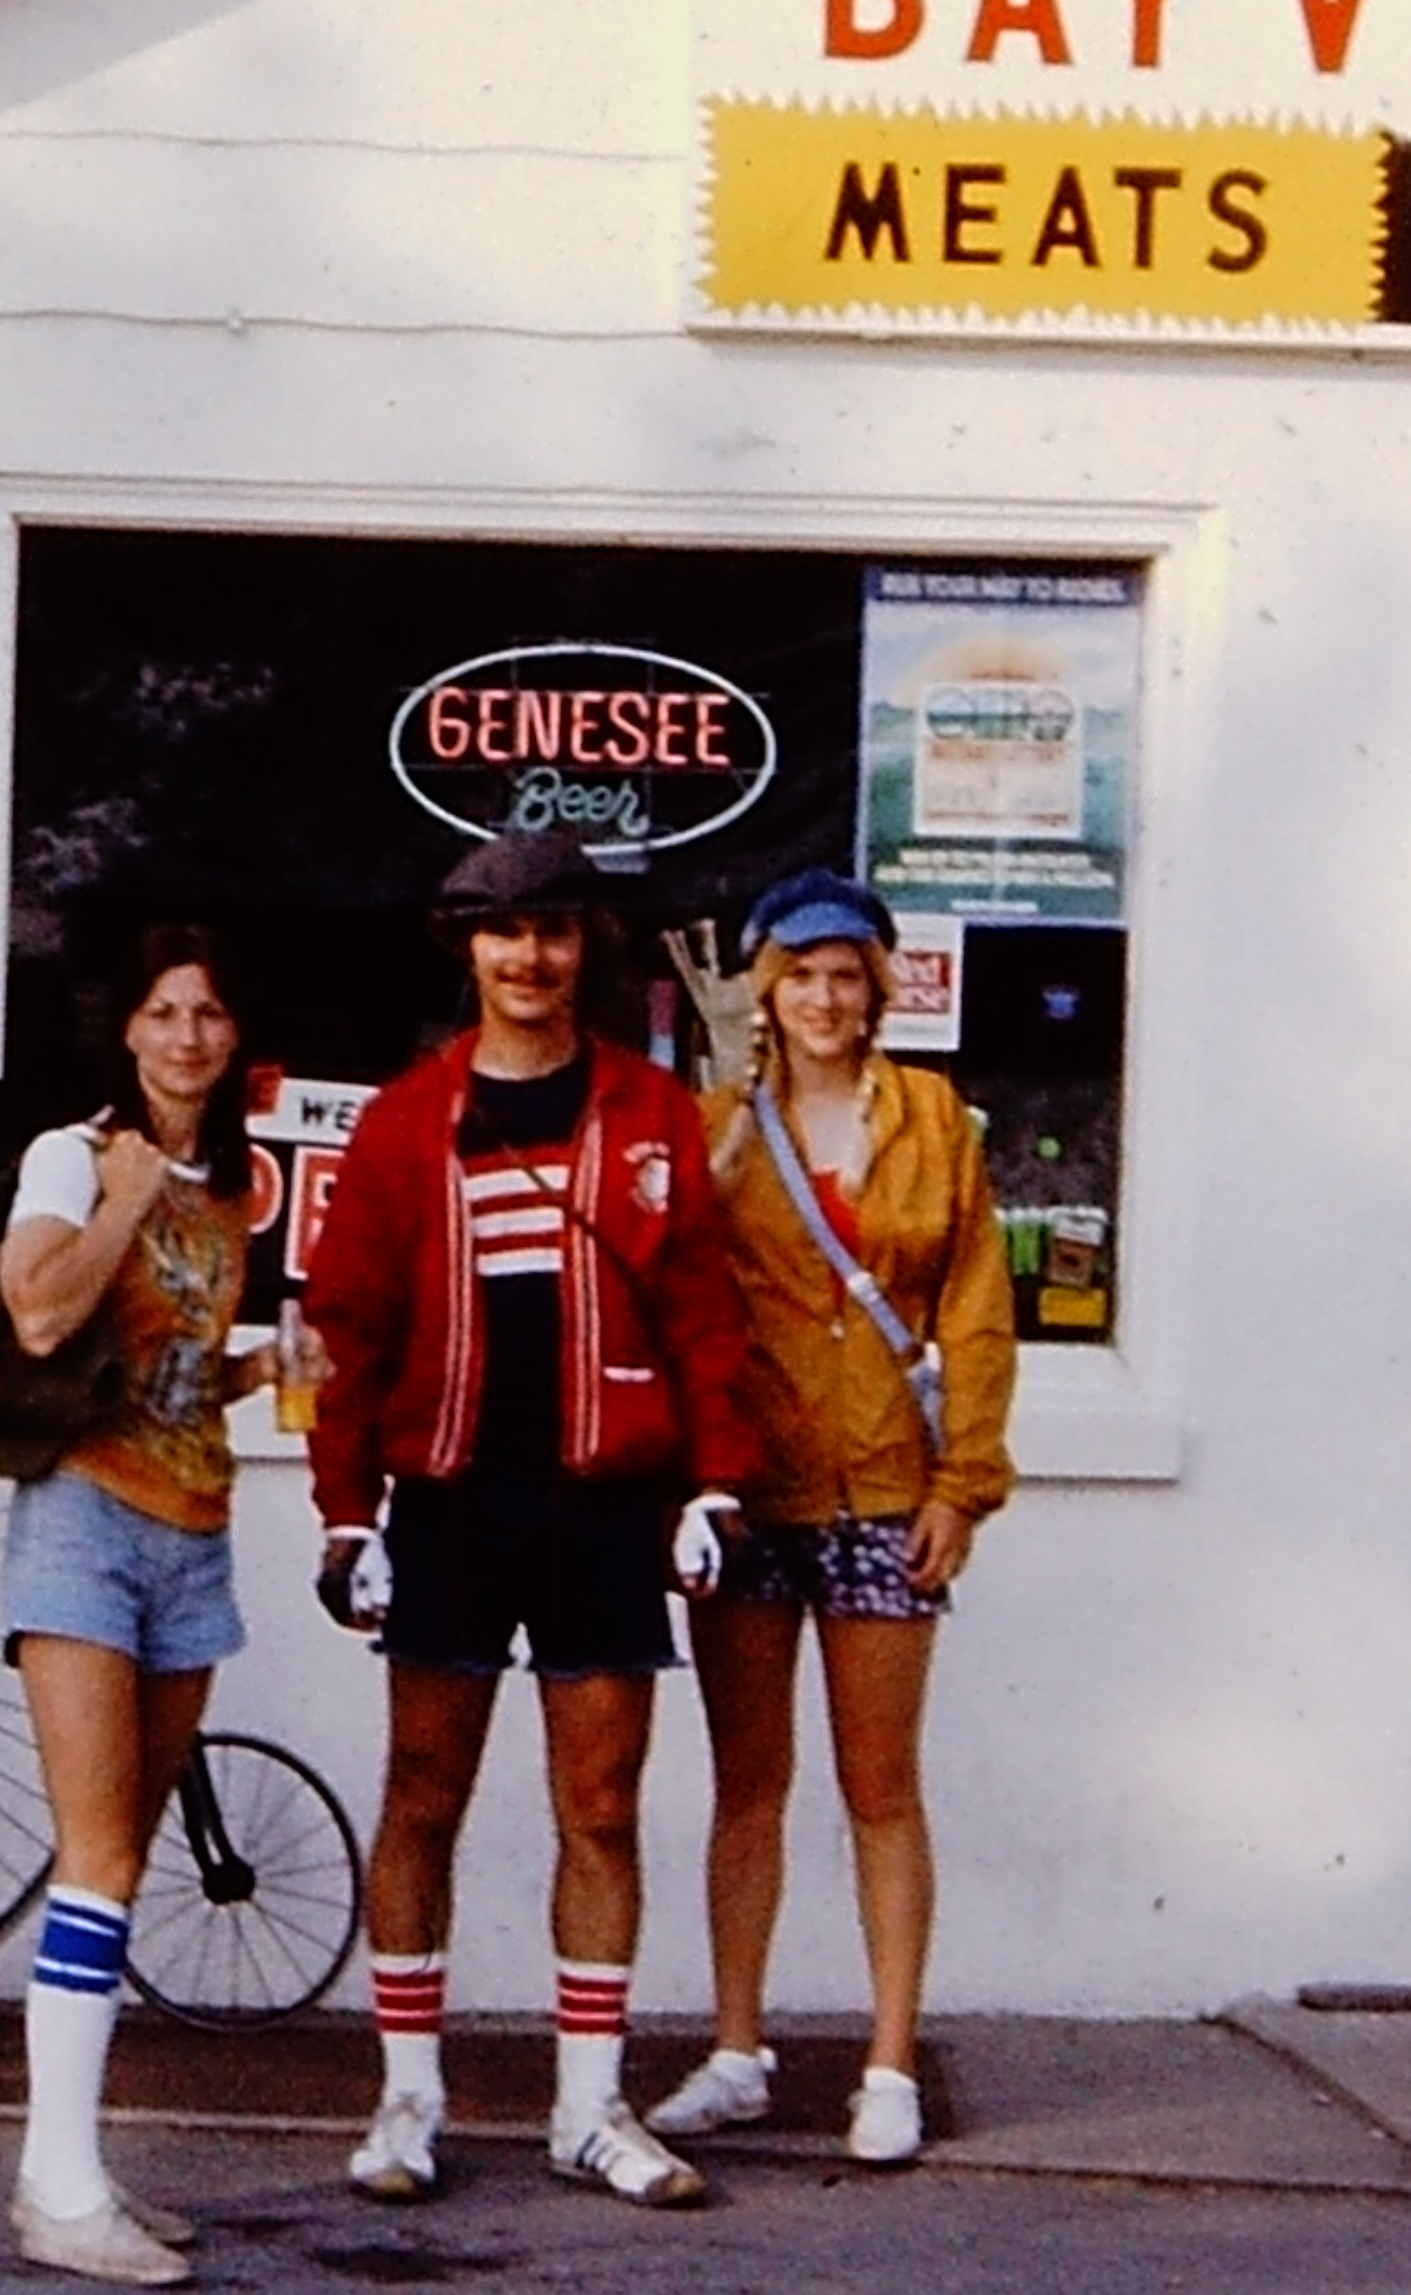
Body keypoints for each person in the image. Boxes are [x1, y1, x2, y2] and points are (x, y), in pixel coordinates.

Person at [299, 831, 758, 2212]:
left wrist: (714, 1485)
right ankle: (406, 2100)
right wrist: (343, 1514)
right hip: (446, 1499)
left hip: (607, 1502)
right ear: (467, 950)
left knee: (601, 1808)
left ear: (582, 949)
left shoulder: (654, 1116)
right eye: (503, 934)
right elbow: (350, 1330)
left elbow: (703, 1319)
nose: (530, 958)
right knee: (421, 1798)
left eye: (554, 931)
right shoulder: (401, 1122)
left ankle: (587, 2107)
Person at [649, 867, 1016, 2169]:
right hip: (752, 1492)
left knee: (880, 1787)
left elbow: (974, 1307)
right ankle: (737, 2049)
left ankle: (888, 2063)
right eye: (798, 973)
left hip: (884, 1489)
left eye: (844, 973)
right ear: (764, 987)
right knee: (747, 1785)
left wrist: (961, 1483)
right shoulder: (718, 1123)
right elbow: (674, 1280)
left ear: (880, 986)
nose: (823, 997)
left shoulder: (931, 1121)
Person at [0, 927, 273, 2287]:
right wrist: (124, 1195)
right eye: (165, 1012)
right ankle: (57, 2186)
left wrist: (264, 1367)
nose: (187, 1036)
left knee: (127, 1863)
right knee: (95, 1858)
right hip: (85, 1530)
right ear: (129, 1031)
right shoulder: (75, 1155)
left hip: (192, 1540)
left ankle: (75, 2167)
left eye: (209, 1015)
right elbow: (38, 1317)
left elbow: (172, 1378)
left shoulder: (237, 1190)